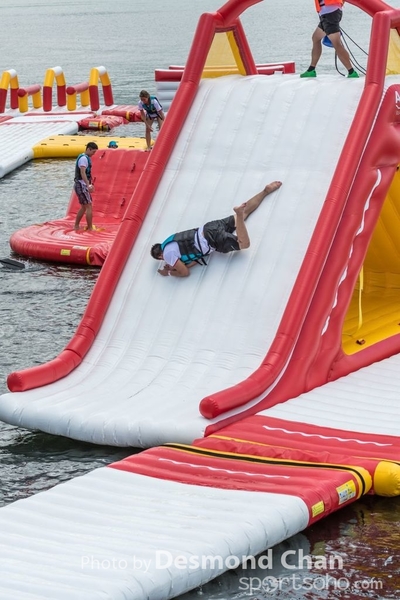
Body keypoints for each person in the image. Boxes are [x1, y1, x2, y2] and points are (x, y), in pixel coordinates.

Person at [150, 181, 282, 277]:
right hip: (209, 228)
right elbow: (194, 260)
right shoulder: (172, 242)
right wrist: (177, 266)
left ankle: (239, 215)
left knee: (244, 244)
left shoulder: (167, 255)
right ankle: (265, 191)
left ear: (160, 256)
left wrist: (169, 272)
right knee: (245, 212)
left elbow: (184, 273)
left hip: (212, 240)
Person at [300, 0, 359, 78]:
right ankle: (311, 69)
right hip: (328, 13)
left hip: (330, 13)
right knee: (316, 38)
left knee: (336, 44)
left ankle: (351, 72)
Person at [74, 141, 98, 231]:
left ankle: (76, 225)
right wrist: (88, 185)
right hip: (81, 185)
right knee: (89, 206)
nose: (94, 154)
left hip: (80, 184)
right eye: (93, 152)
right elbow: (83, 172)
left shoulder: (84, 157)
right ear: (88, 149)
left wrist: (90, 184)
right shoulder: (84, 159)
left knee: (84, 207)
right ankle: (90, 227)